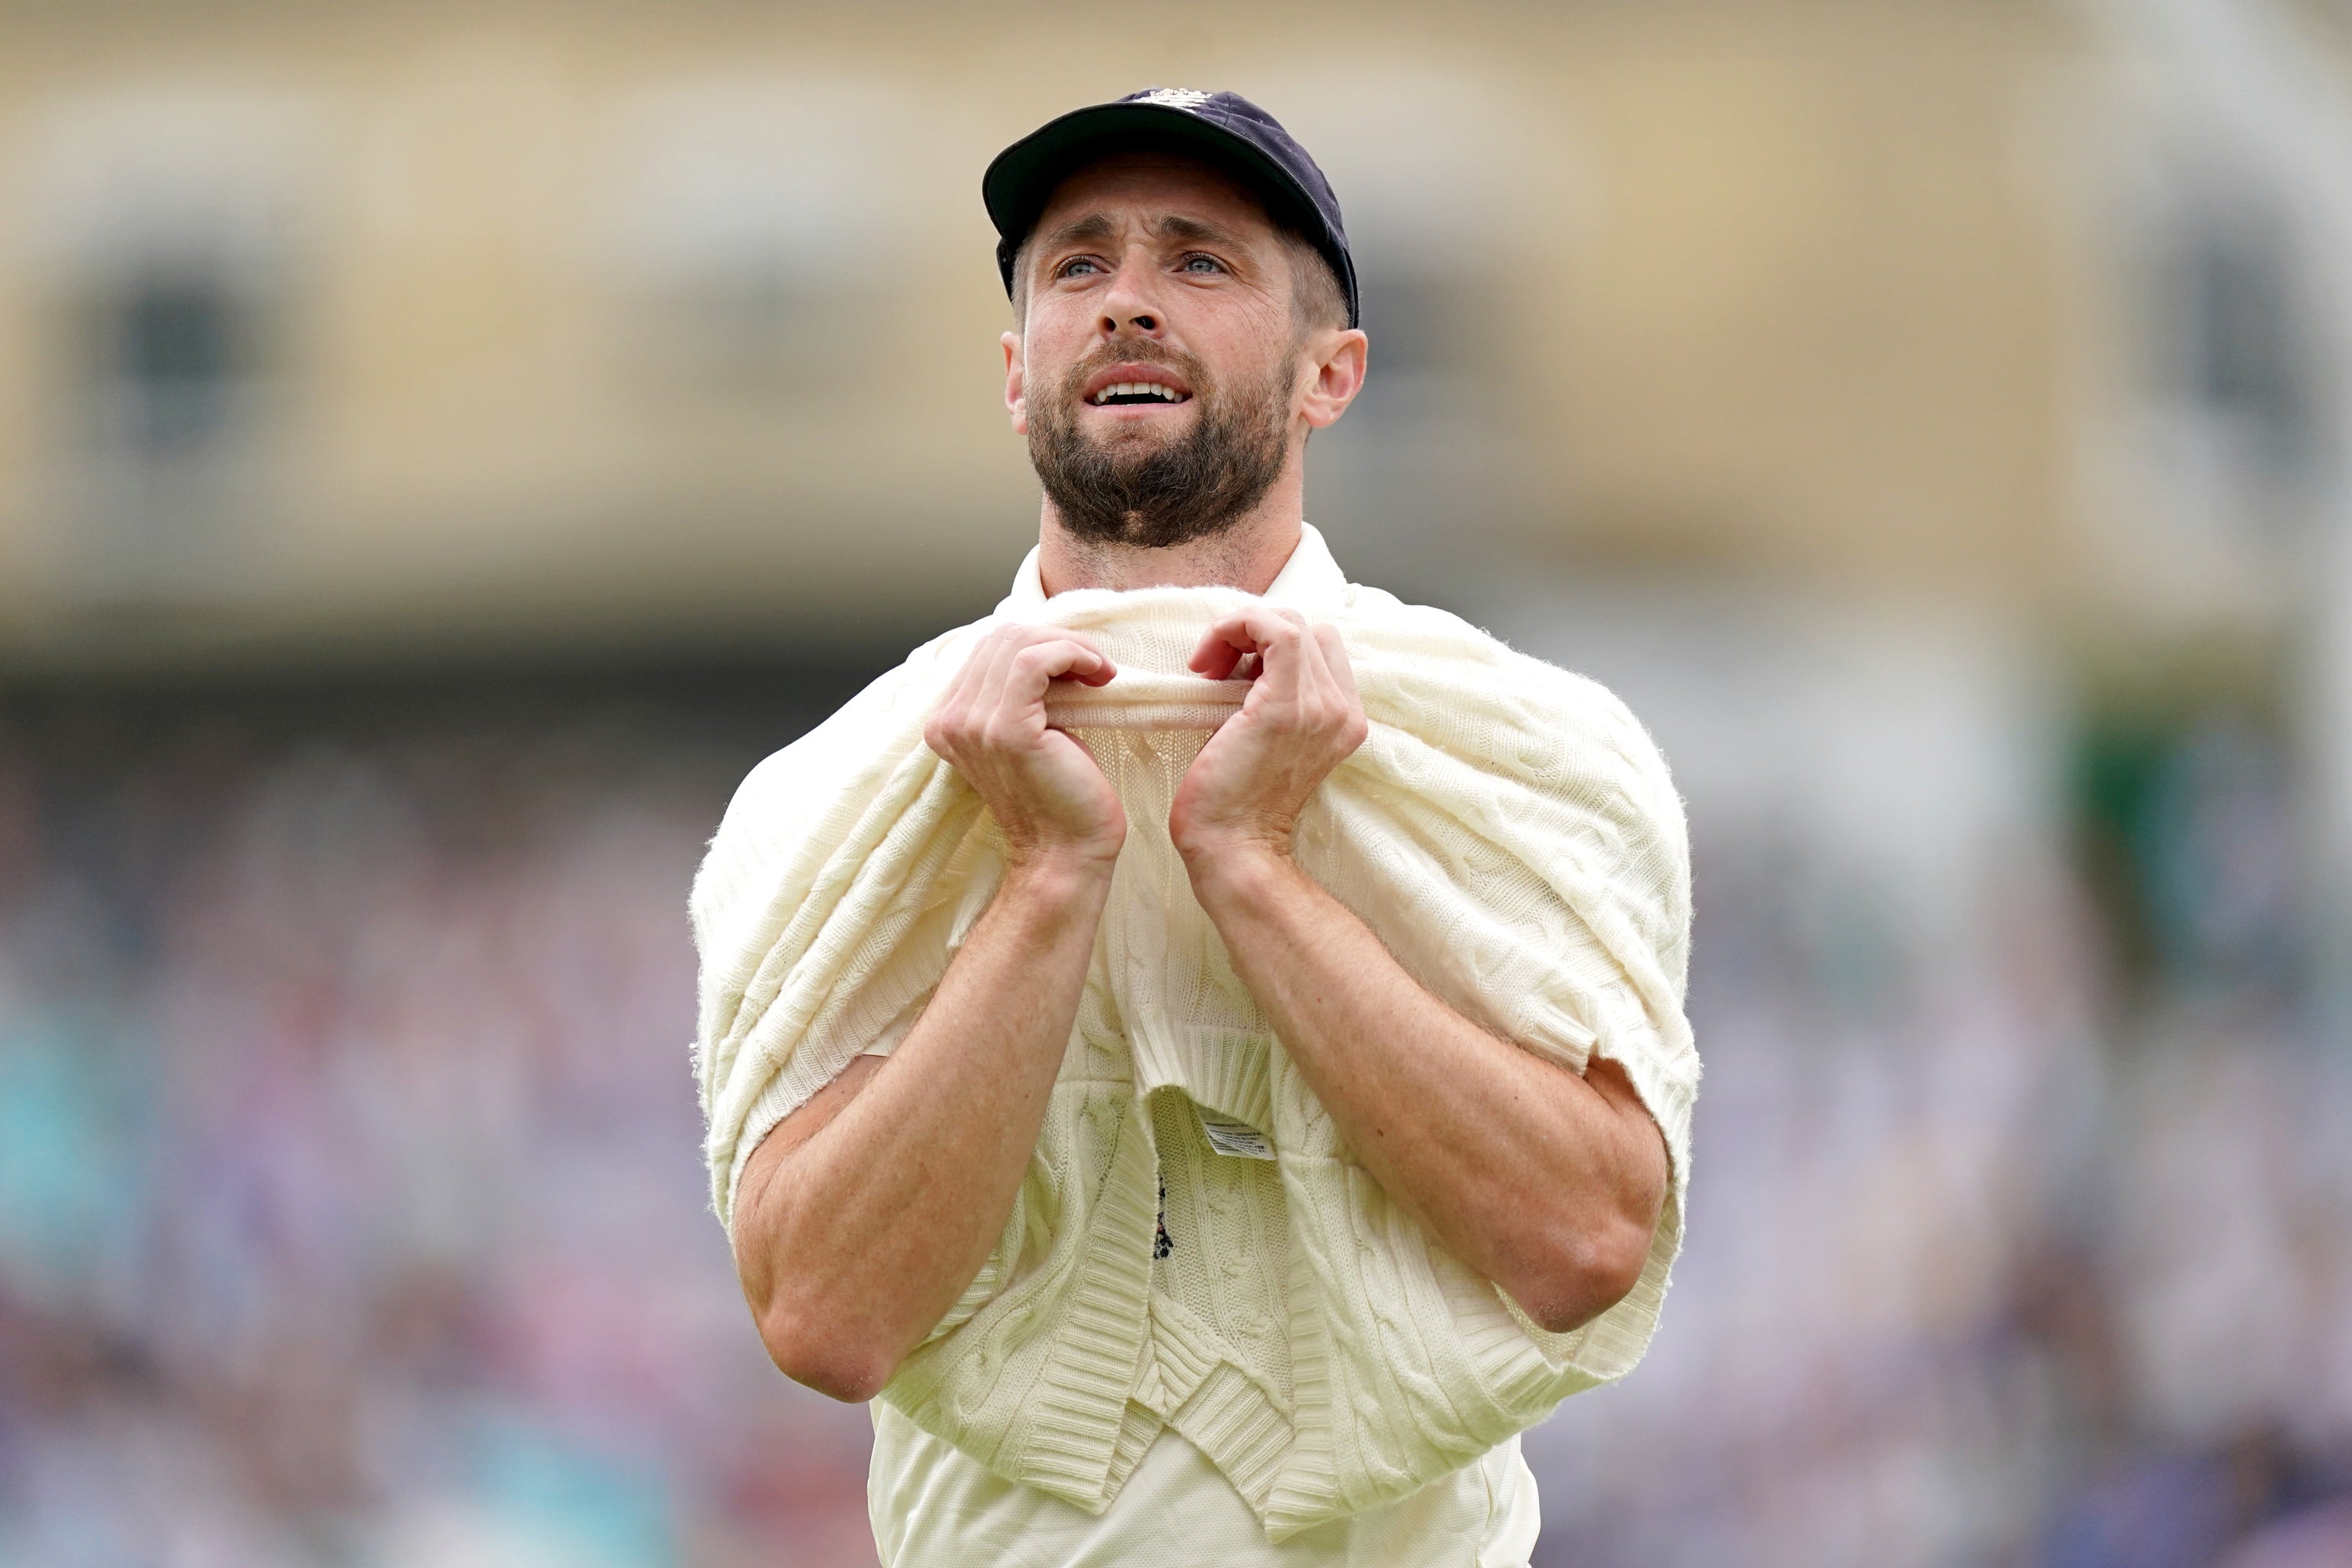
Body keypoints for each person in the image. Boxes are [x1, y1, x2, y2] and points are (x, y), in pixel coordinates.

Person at [691, 89, 1698, 1566]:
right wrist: (1049, 876)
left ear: (1330, 373)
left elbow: (1584, 1247)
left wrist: (1254, 869)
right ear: (1016, 369)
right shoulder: (835, 791)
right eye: (1078, 267)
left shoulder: (1524, 752)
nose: (1128, 305)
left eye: (1202, 263)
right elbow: (825, 1317)